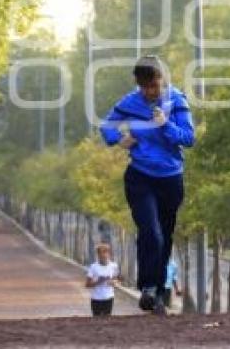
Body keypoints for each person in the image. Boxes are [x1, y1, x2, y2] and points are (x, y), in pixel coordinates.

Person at [99, 55, 195, 315]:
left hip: (170, 178)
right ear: (139, 84)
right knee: (150, 231)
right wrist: (117, 139)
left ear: (162, 80)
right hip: (140, 175)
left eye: (154, 86)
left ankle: (159, 289)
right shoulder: (130, 102)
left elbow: (188, 138)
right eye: (145, 87)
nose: (150, 92)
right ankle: (148, 287)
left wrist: (166, 125)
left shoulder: (176, 101)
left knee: (164, 236)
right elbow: (106, 125)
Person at [85, 242, 120, 317]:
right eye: (100, 254)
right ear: (98, 255)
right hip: (96, 299)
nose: (103, 256)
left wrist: (113, 282)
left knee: (107, 320)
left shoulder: (113, 266)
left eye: (105, 253)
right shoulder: (93, 267)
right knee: (96, 320)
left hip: (109, 298)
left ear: (109, 254)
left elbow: (117, 280)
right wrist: (98, 281)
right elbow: (87, 284)